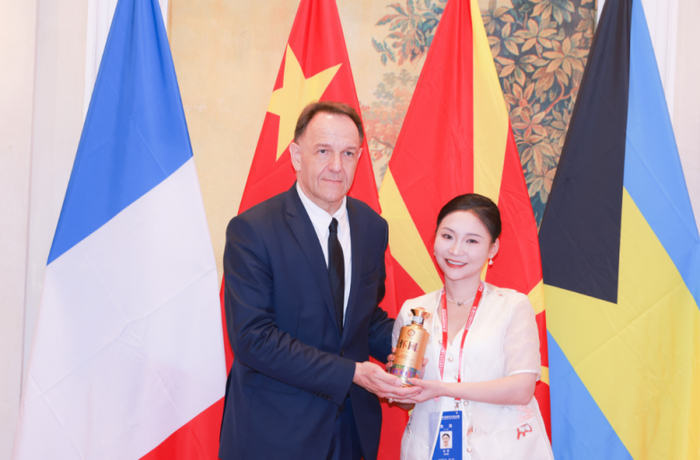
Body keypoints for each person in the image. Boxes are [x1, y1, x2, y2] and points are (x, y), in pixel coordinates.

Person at [219, 101, 420, 460]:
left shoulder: (372, 227)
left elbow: (361, 320)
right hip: (274, 433)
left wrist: (415, 341)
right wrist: (352, 373)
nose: (336, 166)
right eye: (323, 151)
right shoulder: (253, 230)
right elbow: (253, 338)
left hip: (349, 432)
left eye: (348, 153)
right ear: (297, 156)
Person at [390, 194, 554, 460]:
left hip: (501, 449)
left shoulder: (513, 306)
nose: (456, 250)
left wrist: (443, 388)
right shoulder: (414, 311)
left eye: (472, 241)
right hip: (428, 447)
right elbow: (405, 400)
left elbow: (522, 389)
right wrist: (404, 383)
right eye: (447, 236)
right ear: (435, 240)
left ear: (493, 248)